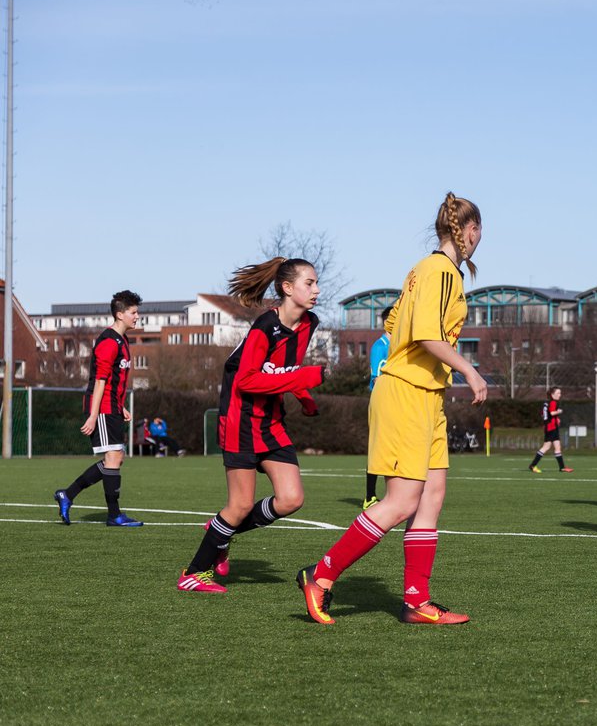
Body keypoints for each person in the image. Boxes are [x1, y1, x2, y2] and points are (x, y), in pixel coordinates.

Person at [297, 192, 487, 625]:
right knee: (401, 502)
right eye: (480, 231)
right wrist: (470, 371)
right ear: (471, 230)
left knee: (432, 497)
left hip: (425, 394)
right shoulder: (439, 271)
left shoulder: (429, 271)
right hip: (405, 392)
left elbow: (393, 324)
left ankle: (416, 601)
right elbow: (425, 337)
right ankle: (321, 576)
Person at [176, 257, 325, 594]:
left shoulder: (308, 323)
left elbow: (284, 370)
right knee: (240, 505)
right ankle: (195, 573)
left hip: (271, 422)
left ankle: (222, 530)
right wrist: (310, 377)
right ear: (287, 289)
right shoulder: (264, 327)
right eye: (309, 283)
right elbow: (247, 381)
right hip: (240, 420)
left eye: (316, 283)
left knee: (291, 498)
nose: (316, 290)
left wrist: (304, 397)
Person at [53, 290, 145, 527]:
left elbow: (115, 380)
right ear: (120, 314)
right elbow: (100, 381)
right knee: (113, 458)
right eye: (133, 312)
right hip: (102, 408)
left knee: (116, 459)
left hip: (111, 407)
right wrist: (94, 416)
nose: (137, 316)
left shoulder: (122, 340)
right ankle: (114, 515)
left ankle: (67, 494)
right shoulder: (108, 342)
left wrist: (121, 405)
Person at [364, 306, 393, 508]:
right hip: (383, 404)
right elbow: (376, 378)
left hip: (398, 403)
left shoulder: (400, 346)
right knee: (378, 449)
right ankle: (369, 496)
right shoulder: (379, 346)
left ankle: (395, 494)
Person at [529, 387, 572, 473]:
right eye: (558, 393)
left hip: (552, 427)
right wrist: (559, 412)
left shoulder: (547, 403)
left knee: (557, 447)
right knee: (546, 447)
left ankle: (562, 467)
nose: (560, 395)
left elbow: (546, 415)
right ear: (552, 395)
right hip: (551, 428)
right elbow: (552, 413)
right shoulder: (553, 402)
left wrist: (556, 419)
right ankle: (533, 465)